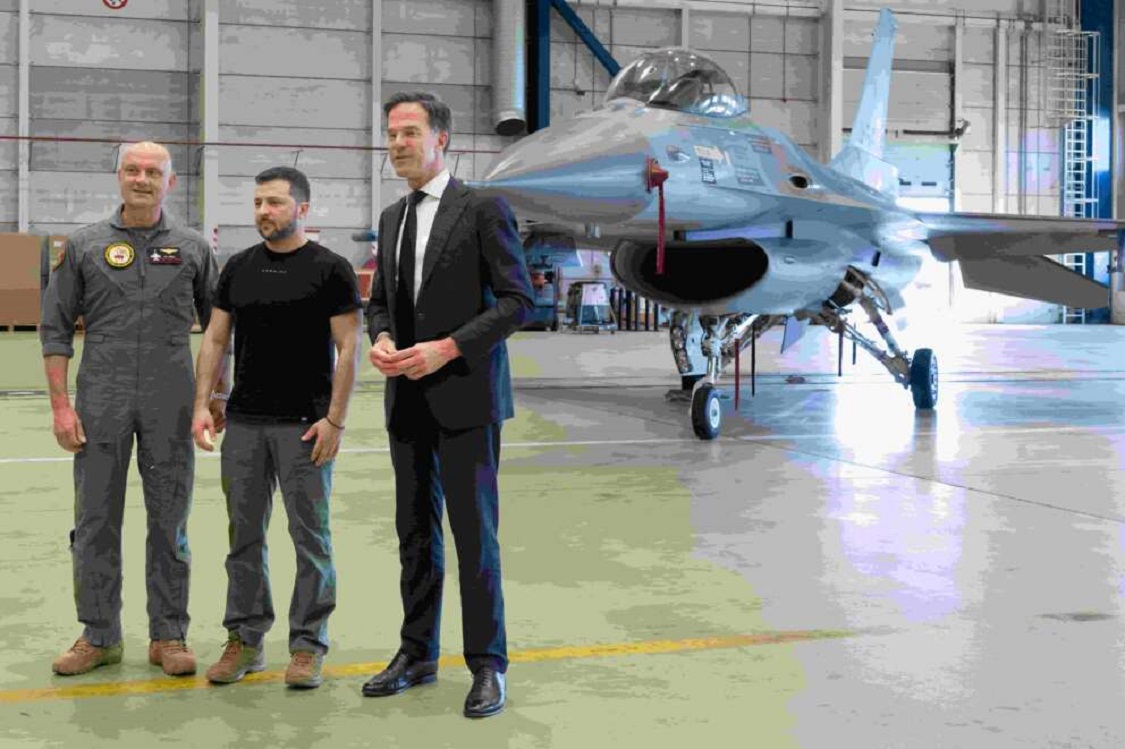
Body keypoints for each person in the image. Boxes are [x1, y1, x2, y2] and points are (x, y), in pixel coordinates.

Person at [362, 92, 533, 718]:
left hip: (467, 397)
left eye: (409, 132)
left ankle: (488, 665)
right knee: (414, 533)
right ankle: (417, 653)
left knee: (473, 536)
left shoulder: (483, 207)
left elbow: (517, 301)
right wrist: (382, 337)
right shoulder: (392, 217)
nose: (397, 144)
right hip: (406, 399)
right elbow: (380, 302)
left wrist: (449, 348)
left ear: (442, 139)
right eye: (391, 134)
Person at [40, 141, 222, 677]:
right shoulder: (85, 245)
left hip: (172, 394)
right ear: (118, 176)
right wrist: (61, 407)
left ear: (170, 181)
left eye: (153, 172)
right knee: (95, 519)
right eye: (132, 170)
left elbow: (220, 330)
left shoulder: (192, 248)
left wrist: (215, 397)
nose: (141, 179)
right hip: (102, 394)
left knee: (170, 518)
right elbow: (55, 330)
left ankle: (169, 634)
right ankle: (99, 635)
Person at [191, 166, 361, 690]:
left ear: (302, 209)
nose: (264, 211)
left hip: (305, 428)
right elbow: (215, 339)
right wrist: (203, 403)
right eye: (258, 203)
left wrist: (335, 419)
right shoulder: (239, 267)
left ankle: (308, 645)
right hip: (244, 424)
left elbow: (348, 347)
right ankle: (244, 639)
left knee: (311, 539)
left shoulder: (331, 269)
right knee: (243, 538)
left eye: (275, 203)